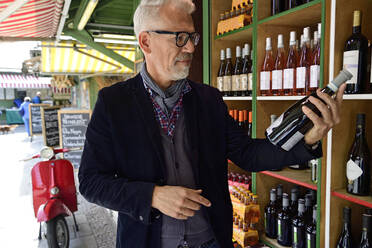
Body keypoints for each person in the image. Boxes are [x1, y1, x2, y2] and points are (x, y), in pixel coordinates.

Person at [78, 1, 345, 248]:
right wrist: (152, 196)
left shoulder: (208, 99)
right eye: (180, 38)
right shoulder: (113, 103)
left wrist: (310, 136)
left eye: (192, 37)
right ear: (146, 41)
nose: (191, 48)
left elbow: (249, 155)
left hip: (211, 241)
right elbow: (91, 182)